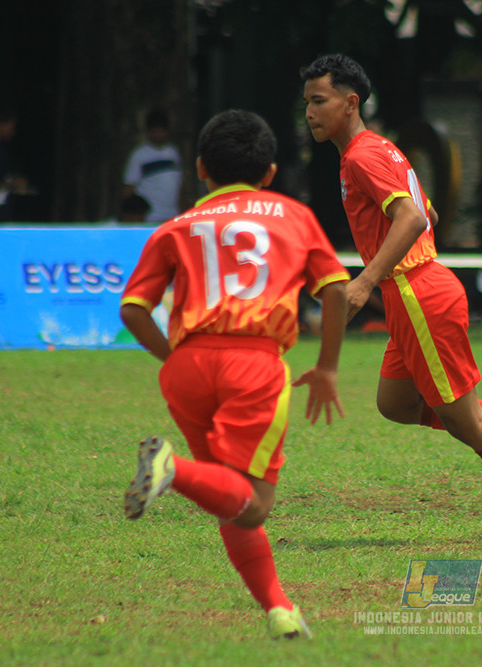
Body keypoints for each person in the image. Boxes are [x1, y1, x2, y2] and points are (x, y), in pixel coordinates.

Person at [300, 54, 482, 538]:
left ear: (350, 103)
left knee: (466, 423)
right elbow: (427, 215)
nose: (309, 112)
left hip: (417, 294)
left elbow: (411, 219)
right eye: (306, 102)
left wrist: (365, 280)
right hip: (415, 290)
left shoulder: (362, 157)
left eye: (319, 101)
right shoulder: (381, 149)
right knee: (396, 403)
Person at [119, 109, 350, 639]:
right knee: (255, 500)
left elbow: (133, 308)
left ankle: (278, 608)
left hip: (187, 366)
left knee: (231, 494)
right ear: (269, 173)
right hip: (253, 363)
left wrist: (174, 358)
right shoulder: (292, 214)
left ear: (200, 168)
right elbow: (335, 289)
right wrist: (328, 367)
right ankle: (170, 470)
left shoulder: (175, 226)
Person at [123, 108, 183, 223]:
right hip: (150, 217)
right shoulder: (139, 155)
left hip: (172, 216)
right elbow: (129, 187)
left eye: (161, 131)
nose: (158, 135)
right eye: (155, 131)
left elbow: (178, 185)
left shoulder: (173, 152)